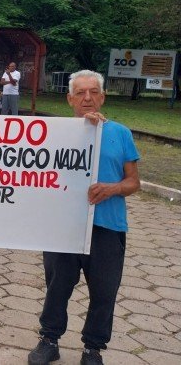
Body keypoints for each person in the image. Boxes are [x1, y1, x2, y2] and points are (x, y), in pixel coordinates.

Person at [28, 70, 140, 365]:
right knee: (57, 286)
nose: (87, 98)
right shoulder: (55, 133)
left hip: (107, 226)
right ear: (69, 99)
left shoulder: (120, 133)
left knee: (104, 291)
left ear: (102, 97)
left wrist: (113, 188)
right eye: (80, 93)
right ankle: (49, 340)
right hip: (64, 225)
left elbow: (133, 182)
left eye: (93, 92)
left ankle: (93, 348)